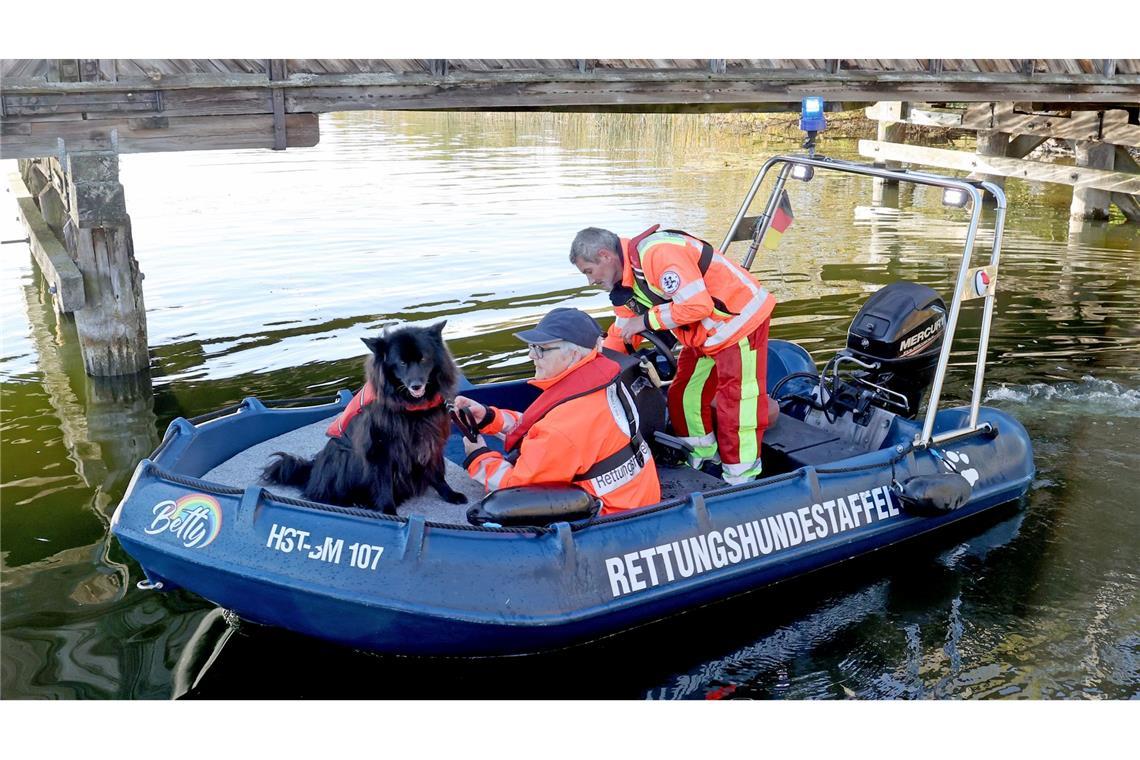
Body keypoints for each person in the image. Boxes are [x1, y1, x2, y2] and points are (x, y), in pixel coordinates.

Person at [570, 225, 776, 484]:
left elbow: (697, 305)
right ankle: (702, 460)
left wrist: (646, 320)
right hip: (704, 336)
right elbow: (622, 331)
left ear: (605, 256)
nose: (590, 281)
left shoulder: (658, 254)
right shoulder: (625, 282)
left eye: (589, 272)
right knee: (683, 396)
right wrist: (593, 369)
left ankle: (741, 479)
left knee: (737, 404)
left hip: (738, 323)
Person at [454, 308, 660, 515]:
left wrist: (478, 457)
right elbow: (541, 427)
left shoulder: (563, 427)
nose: (531, 355)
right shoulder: (605, 381)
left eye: (541, 349)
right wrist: (491, 417)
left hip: (611, 515)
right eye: (532, 347)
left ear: (573, 354)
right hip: (640, 495)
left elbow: (516, 487)